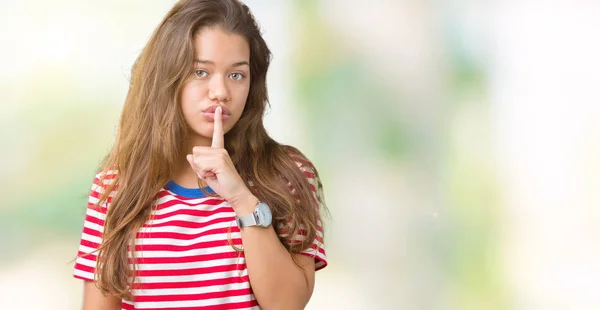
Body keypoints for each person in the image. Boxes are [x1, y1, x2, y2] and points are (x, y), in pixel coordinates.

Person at [72, 0, 328, 309]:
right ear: (168, 77)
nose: (220, 91)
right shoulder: (114, 190)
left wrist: (242, 199)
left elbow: (287, 304)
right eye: (200, 72)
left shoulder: (287, 176)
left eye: (237, 75)